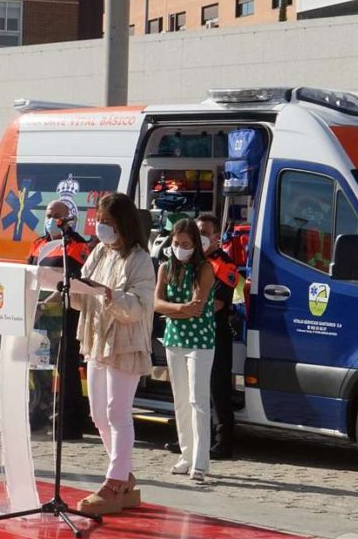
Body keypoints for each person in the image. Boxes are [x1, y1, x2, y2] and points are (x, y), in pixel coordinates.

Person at [71, 192, 155, 515]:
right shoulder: (99, 253)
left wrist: (109, 295)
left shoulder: (140, 260)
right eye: (100, 222)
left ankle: (114, 480)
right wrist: (73, 289)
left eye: (108, 223)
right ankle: (124, 474)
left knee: (117, 412)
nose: (102, 228)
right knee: (97, 414)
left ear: (123, 223)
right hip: (96, 340)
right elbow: (83, 290)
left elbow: (139, 306)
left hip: (125, 343)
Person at [155, 218, 216, 483]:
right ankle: (186, 455)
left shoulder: (204, 268)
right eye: (176, 243)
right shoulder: (166, 268)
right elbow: (156, 303)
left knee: (198, 400)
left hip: (200, 340)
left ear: (195, 245)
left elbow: (198, 305)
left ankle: (201, 462)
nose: (180, 248)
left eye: (186, 244)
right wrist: (179, 310)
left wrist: (173, 309)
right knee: (180, 399)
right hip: (174, 338)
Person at [27, 199, 89, 439]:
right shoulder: (38, 244)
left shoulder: (75, 245)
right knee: (38, 366)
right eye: (48, 214)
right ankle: (38, 413)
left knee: (66, 368)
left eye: (56, 215)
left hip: (63, 314)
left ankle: (70, 422)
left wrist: (45, 303)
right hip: (39, 316)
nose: (51, 219)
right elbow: (29, 274)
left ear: (68, 219)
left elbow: (72, 279)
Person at [196, 213, 239, 459]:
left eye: (205, 233)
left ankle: (223, 442)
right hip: (193, 331)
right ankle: (194, 441)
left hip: (215, 331)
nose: (200, 236)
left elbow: (219, 303)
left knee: (217, 389)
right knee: (196, 390)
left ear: (216, 236)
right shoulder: (192, 260)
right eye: (197, 231)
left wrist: (189, 309)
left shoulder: (223, 264)